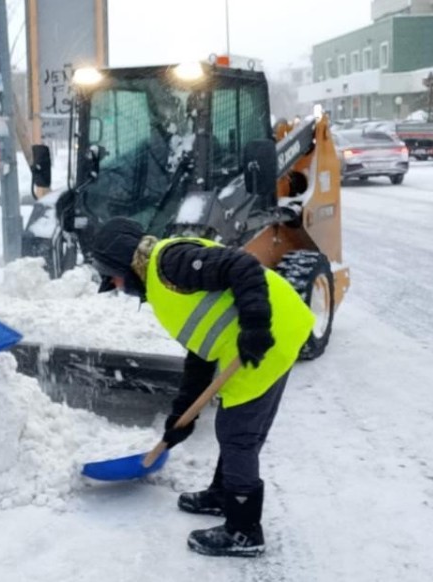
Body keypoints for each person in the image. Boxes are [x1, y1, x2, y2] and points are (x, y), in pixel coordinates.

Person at [89, 217, 314, 558]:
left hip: (267, 335)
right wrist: (182, 417)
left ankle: (244, 530)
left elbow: (243, 266)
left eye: (113, 278)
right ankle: (223, 494)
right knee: (235, 428)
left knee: (238, 434)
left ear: (122, 265)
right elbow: (200, 350)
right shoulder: (159, 280)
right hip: (269, 334)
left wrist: (255, 325)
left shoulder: (169, 262)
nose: (116, 285)